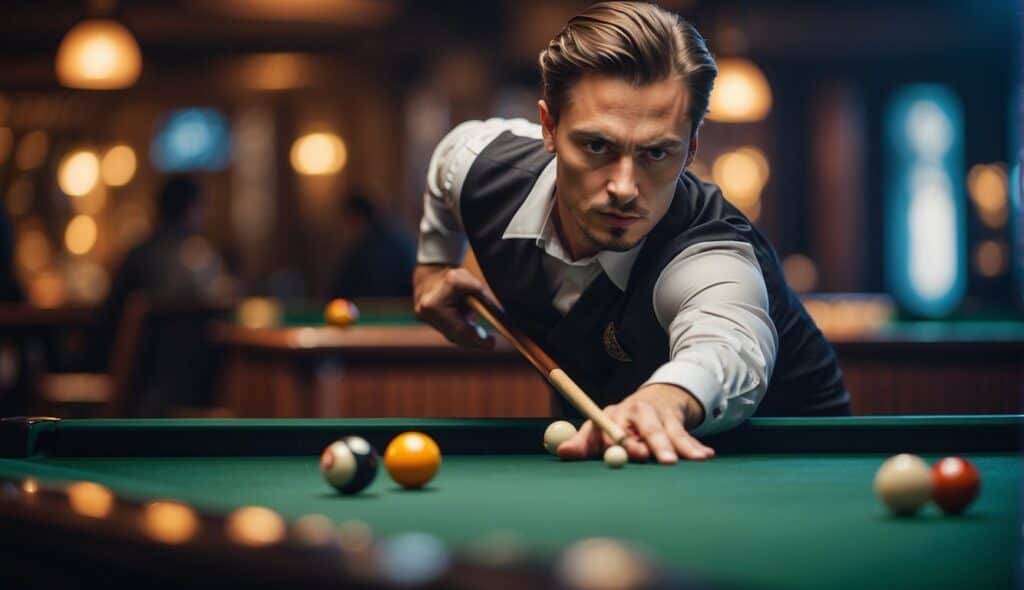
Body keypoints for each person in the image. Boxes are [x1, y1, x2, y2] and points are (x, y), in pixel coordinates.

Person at [413, 1, 849, 464]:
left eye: (657, 153)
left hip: (783, 459)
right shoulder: (484, 169)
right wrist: (432, 263)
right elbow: (447, 163)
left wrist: (668, 395)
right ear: (549, 127)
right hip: (613, 445)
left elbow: (730, 344)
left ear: (691, 147)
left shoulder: (711, 253)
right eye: (597, 145)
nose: (624, 188)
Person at [92, 175, 227, 414]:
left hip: (134, 389)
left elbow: (106, 320)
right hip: (198, 392)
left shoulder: (137, 255)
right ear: (191, 209)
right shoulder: (205, 261)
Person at [328, 191, 416, 299]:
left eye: (345, 221)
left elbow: (339, 291)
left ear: (355, 218)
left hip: (368, 310)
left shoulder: (360, 250)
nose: (344, 229)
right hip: (400, 310)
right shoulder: (402, 239)